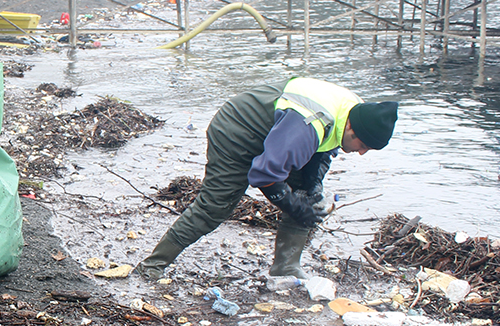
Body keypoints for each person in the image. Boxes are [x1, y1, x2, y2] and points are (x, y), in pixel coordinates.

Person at [140, 77, 397, 280]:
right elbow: (264, 175)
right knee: (215, 206)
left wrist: (313, 185)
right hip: (239, 129)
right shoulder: (310, 123)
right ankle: (152, 266)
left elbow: (325, 148)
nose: (361, 152)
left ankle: (286, 269)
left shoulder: (359, 113)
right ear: (351, 127)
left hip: (281, 133)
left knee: (308, 197)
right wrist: (293, 206)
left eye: (368, 149)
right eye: (361, 145)